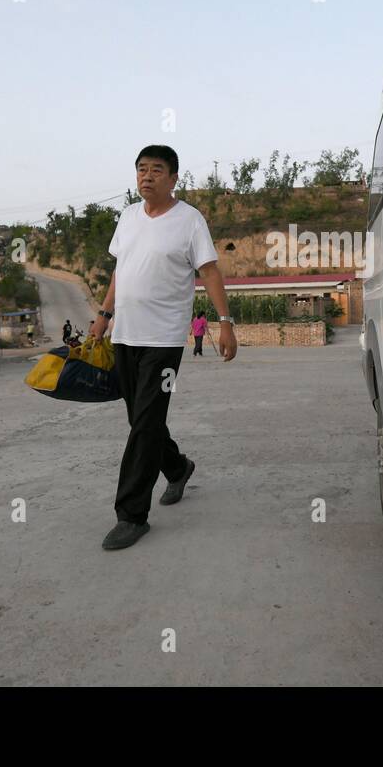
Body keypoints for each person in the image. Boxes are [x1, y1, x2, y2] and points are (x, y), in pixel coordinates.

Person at [90, 145, 238, 551]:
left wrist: (225, 323)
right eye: (141, 169)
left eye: (157, 169)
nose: (147, 176)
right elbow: (121, 270)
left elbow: (209, 271)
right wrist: (103, 315)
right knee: (141, 419)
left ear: (174, 178)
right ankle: (177, 466)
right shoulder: (128, 217)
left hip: (165, 339)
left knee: (146, 421)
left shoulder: (189, 221)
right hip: (126, 334)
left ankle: (131, 515)